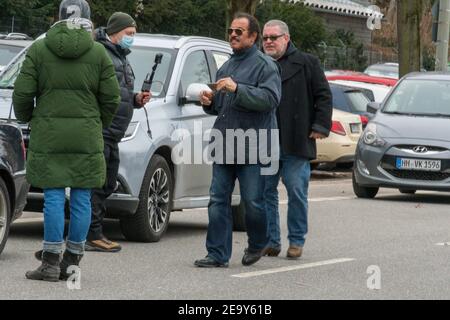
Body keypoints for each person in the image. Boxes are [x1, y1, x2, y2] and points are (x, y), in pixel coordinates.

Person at [13, 0, 120, 282]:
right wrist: (99, 122)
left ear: (59, 18)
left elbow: (23, 93)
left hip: (49, 133)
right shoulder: (98, 52)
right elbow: (112, 98)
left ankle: (49, 262)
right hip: (86, 134)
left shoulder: (39, 48)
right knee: (83, 196)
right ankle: (72, 261)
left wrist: (29, 117)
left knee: (53, 196)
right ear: (87, 20)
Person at [194, 13, 282, 268]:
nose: (232, 34)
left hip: (253, 147)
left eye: (239, 31)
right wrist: (209, 102)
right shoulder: (226, 66)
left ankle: (258, 243)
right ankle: (217, 254)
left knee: (252, 202)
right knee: (217, 200)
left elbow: (270, 100)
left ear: (253, 36)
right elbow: (221, 105)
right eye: (231, 30)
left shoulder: (266, 66)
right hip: (224, 144)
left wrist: (238, 89)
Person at [261, 20, 332, 259]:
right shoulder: (259, 64)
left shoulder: (307, 62)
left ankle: (297, 241)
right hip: (266, 140)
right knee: (264, 193)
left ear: (286, 38)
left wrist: (320, 125)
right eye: (265, 38)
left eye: (274, 37)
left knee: (296, 191)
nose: (269, 42)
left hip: (297, 138)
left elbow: (323, 96)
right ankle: (271, 241)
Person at [85, 12, 151, 252]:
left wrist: (136, 99)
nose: (132, 38)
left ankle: (93, 231)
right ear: (115, 32)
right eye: (129, 34)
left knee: (107, 183)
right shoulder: (101, 53)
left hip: (113, 133)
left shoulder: (121, 57)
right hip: (101, 130)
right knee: (97, 183)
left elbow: (118, 92)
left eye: (134, 34)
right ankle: (92, 234)